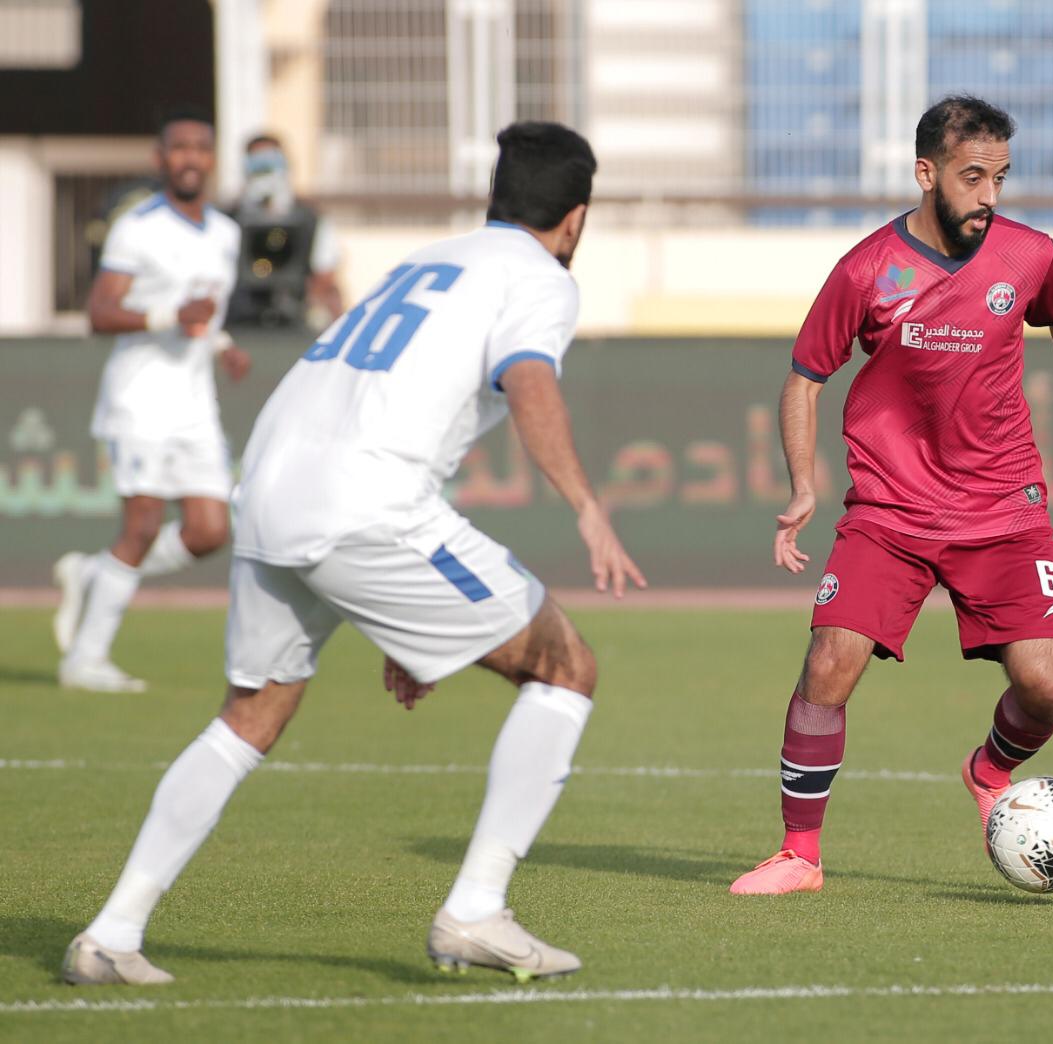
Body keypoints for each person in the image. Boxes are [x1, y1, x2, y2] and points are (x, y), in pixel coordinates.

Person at [63, 121, 646, 987]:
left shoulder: (425, 261)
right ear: (577, 217)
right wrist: (590, 510)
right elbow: (530, 384)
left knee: (251, 713)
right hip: (364, 504)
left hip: (268, 486)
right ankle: (477, 910)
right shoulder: (540, 280)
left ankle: (111, 933)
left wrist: (405, 626)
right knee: (566, 669)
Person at [729, 96, 1053, 896]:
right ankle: (798, 854)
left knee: (1047, 685)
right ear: (926, 173)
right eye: (972, 176)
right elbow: (806, 379)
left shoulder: (1030, 255)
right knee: (828, 665)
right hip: (892, 509)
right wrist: (804, 484)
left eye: (1001, 177)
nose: (989, 195)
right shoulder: (867, 269)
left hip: (1003, 508)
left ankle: (988, 772)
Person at [53, 108, 251, 694]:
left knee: (210, 531)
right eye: (179, 148)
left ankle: (94, 574)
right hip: (139, 397)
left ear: (213, 159)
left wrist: (223, 345)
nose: (190, 157)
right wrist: (167, 316)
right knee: (139, 526)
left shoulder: (226, 233)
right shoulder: (136, 227)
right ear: (159, 159)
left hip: (195, 401)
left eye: (201, 147)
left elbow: (201, 311)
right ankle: (84, 660)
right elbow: (99, 312)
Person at [225, 133, 343, 329]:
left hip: (294, 318)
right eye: (258, 165)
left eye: (271, 162)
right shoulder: (228, 220)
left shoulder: (310, 219)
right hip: (241, 321)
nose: (265, 172)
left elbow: (325, 277)